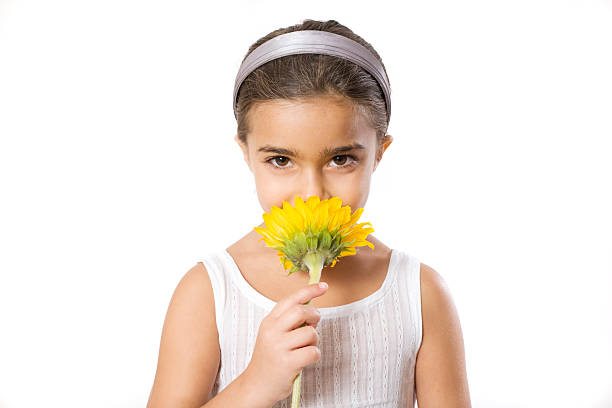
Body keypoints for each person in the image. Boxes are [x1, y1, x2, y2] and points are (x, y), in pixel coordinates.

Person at [146, 18, 471, 408]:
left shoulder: (420, 294)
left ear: (379, 153)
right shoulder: (209, 292)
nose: (312, 193)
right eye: (281, 160)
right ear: (246, 153)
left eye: (341, 159)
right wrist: (255, 384)